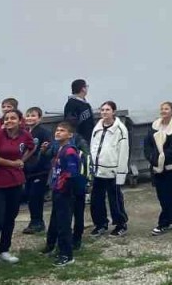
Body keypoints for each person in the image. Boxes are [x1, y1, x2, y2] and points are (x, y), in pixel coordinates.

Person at [0, 109, 34, 268]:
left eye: (13, 118)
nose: (9, 121)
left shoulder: (25, 135)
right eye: (7, 118)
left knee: (10, 218)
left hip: (16, 181)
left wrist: (22, 159)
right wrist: (13, 163)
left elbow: (31, 147)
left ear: (20, 120)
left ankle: (4, 250)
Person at [45, 122, 85, 268]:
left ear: (70, 135)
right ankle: (54, 247)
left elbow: (71, 173)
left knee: (64, 224)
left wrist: (63, 188)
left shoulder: (69, 151)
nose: (58, 132)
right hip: (57, 190)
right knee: (56, 221)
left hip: (65, 192)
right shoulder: (60, 149)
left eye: (62, 130)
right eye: (57, 130)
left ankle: (66, 254)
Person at [89, 102, 130, 237]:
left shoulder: (120, 129)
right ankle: (101, 224)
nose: (104, 112)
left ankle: (120, 224)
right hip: (98, 170)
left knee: (115, 199)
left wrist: (121, 173)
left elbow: (123, 152)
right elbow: (93, 146)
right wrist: (92, 166)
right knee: (96, 199)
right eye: (102, 110)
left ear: (114, 112)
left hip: (112, 171)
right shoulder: (98, 127)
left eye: (108, 110)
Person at [144, 102, 172, 236]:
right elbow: (147, 144)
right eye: (162, 108)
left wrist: (163, 157)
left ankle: (163, 224)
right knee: (162, 197)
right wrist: (153, 158)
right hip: (155, 167)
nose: (163, 111)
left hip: (170, 167)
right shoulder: (154, 126)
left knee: (168, 196)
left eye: (166, 109)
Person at [21, 107, 54, 235]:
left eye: (33, 116)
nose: (30, 118)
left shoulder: (44, 132)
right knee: (30, 195)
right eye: (28, 115)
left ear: (40, 118)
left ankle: (37, 222)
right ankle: (34, 220)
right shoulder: (24, 132)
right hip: (27, 170)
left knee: (35, 196)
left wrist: (45, 151)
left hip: (40, 170)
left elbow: (49, 149)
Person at [63, 80, 95, 146]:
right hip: (79, 140)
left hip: (89, 138)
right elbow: (70, 124)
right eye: (86, 86)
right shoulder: (71, 104)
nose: (87, 89)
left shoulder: (85, 103)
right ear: (83, 88)